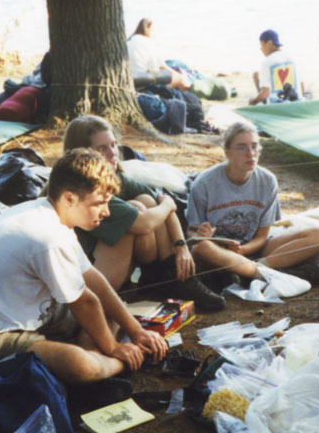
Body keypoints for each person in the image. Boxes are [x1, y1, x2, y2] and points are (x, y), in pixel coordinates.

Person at [0, 148, 168, 384]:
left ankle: (97, 359)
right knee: (78, 364)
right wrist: (115, 349)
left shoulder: (50, 215)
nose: (106, 212)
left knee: (112, 310)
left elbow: (92, 277)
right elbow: (84, 303)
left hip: (19, 315)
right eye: (100, 203)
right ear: (69, 199)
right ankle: (112, 366)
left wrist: (136, 330)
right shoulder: (47, 236)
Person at [62, 115, 226, 312]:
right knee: (139, 210)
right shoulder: (86, 187)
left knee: (147, 202)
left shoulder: (116, 177)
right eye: (102, 149)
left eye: (113, 145)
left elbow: (159, 204)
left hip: (107, 263)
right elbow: (144, 224)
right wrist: (168, 204)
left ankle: (174, 276)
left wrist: (181, 248)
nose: (112, 153)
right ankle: (163, 278)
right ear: (83, 153)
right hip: (85, 281)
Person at [186, 121, 319, 287]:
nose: (250, 153)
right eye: (241, 147)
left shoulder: (267, 181)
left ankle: (253, 271)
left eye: (254, 146)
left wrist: (244, 250)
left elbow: (262, 236)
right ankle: (264, 273)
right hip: (218, 251)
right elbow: (191, 233)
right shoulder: (204, 182)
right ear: (227, 152)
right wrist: (201, 233)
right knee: (201, 248)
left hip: (253, 250)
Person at [127, 18, 192, 90]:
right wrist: (181, 77)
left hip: (129, 79)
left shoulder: (130, 40)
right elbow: (161, 68)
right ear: (148, 28)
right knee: (181, 79)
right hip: (142, 83)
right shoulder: (148, 42)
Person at [250, 29, 304, 105]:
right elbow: (301, 85)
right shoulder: (292, 58)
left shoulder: (267, 62)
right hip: (297, 102)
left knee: (257, 98)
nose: (261, 49)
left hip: (278, 106)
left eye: (262, 45)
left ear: (269, 43)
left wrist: (253, 101)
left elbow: (265, 93)